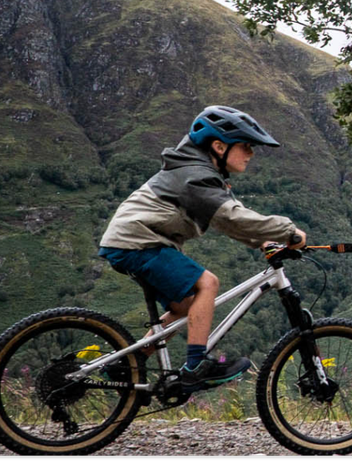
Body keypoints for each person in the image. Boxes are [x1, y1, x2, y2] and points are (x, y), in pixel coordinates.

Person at [96, 105, 307, 394]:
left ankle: (127, 363)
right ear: (219, 146)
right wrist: (287, 231)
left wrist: (263, 241)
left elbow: (231, 220)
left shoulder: (200, 172)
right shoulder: (195, 176)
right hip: (138, 243)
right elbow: (229, 217)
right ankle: (195, 367)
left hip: (132, 242)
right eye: (246, 145)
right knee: (208, 283)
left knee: (188, 306)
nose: (251, 153)